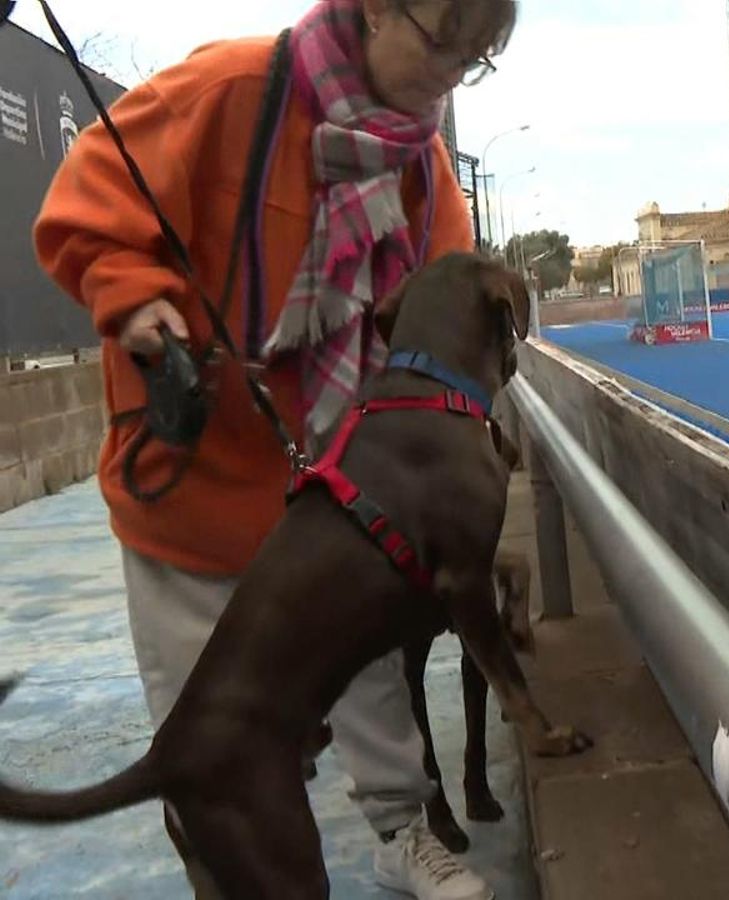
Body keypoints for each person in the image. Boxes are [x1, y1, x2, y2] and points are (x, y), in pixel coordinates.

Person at [31, 1, 515, 898]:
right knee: (214, 753)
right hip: (197, 495)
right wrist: (134, 298)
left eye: (475, 58)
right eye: (443, 41)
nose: (451, 74)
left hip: (337, 499)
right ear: (377, 8)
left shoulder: (424, 168)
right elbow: (88, 199)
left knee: (373, 678)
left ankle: (401, 831)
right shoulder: (227, 92)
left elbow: (444, 323)